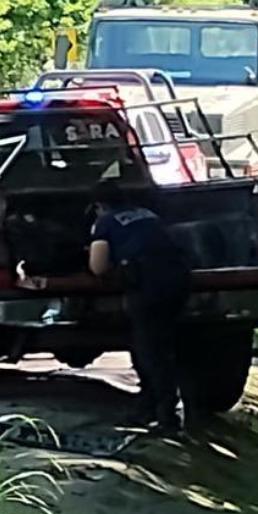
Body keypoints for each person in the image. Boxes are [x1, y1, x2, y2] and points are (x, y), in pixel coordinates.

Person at [88, 182, 191, 432]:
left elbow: (98, 267)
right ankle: (148, 408)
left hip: (148, 284)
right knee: (158, 346)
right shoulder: (148, 214)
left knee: (151, 353)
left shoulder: (105, 222)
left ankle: (167, 417)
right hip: (179, 279)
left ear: (99, 205)